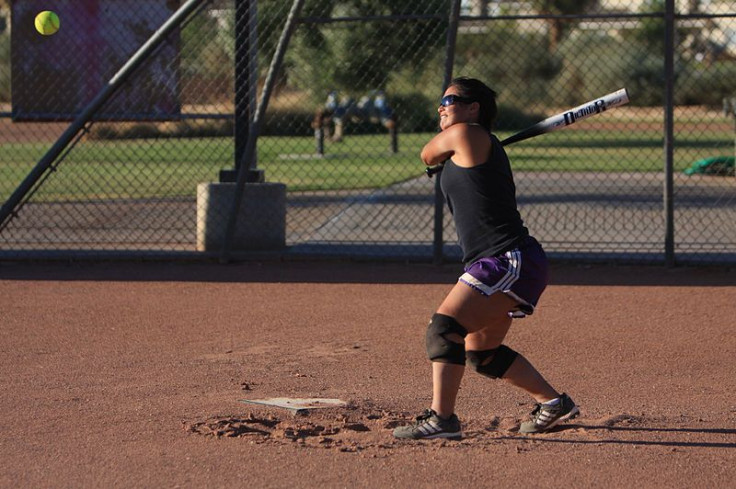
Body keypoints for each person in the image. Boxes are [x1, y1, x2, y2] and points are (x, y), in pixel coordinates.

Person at [393, 77, 579, 440]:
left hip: (506, 260)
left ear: (473, 108)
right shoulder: (473, 143)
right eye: (441, 101)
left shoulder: (467, 134)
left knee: (444, 331)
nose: (441, 107)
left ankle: (441, 419)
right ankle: (553, 404)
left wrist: (439, 160)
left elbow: (426, 154)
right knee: (483, 353)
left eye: (450, 99)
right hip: (504, 262)